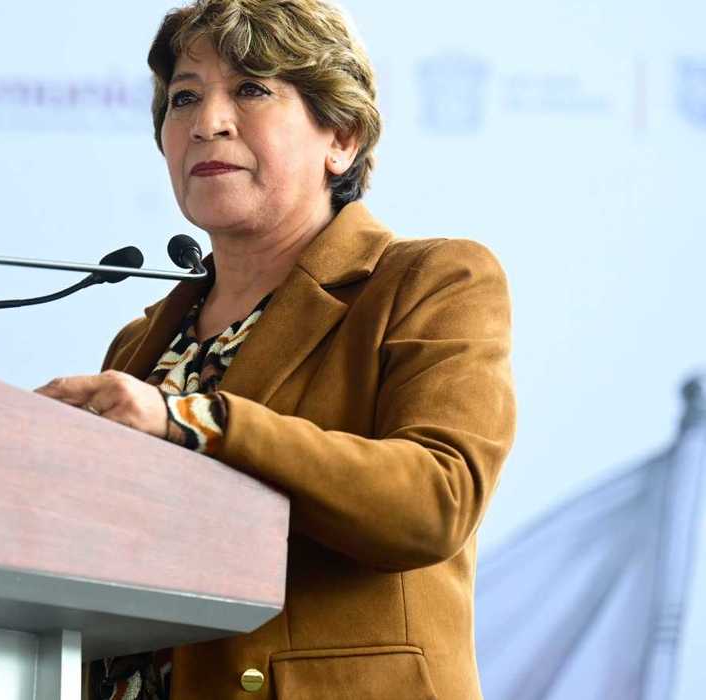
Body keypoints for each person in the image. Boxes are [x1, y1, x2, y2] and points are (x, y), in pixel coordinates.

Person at [34, 1, 516, 698]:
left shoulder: (428, 280)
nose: (206, 122)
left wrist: (197, 422)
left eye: (251, 89)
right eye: (184, 98)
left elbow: (434, 501)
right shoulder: (141, 342)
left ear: (341, 137)